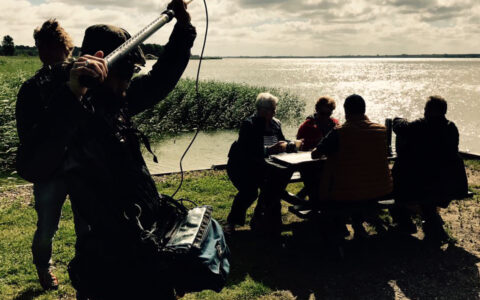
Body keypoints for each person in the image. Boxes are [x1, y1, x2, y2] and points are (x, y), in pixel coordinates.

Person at [18, 1, 195, 298]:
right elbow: (32, 165)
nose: (130, 79)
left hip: (145, 242)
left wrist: (183, 26)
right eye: (127, 71)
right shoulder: (65, 104)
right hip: (109, 258)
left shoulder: (117, 99)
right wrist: (73, 94)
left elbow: (161, 79)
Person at [15, 19, 86, 290]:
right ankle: (44, 269)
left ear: (63, 46)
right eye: (39, 45)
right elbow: (27, 134)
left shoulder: (83, 75)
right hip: (49, 171)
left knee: (87, 225)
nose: (42, 51)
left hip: (80, 167)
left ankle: (86, 270)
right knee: (46, 227)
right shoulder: (33, 87)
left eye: (48, 45)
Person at [311, 94, 393, 237]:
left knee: (325, 183)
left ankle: (331, 227)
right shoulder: (380, 130)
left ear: (346, 111)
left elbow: (315, 154)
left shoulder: (339, 132)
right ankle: (358, 222)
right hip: (380, 189)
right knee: (358, 179)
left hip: (347, 192)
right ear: (364, 110)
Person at [390, 96, 468, 243]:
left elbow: (399, 127)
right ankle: (432, 225)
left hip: (423, 184)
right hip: (447, 183)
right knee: (426, 192)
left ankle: (406, 220)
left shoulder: (420, 126)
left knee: (401, 179)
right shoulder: (451, 128)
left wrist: (398, 118)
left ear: (429, 111)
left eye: (426, 110)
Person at [225, 92, 295, 234]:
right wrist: (270, 150)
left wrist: (291, 144)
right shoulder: (249, 124)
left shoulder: (276, 123)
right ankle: (231, 223)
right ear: (261, 109)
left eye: (275, 109)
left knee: (273, 188)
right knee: (249, 192)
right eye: (272, 109)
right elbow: (249, 149)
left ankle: (262, 220)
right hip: (243, 166)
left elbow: (280, 140)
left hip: (265, 165)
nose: (275, 112)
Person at [295, 96, 339, 200]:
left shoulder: (335, 124)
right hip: (309, 163)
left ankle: (306, 196)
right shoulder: (307, 125)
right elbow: (299, 146)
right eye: (322, 113)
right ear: (316, 110)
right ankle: (311, 199)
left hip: (328, 162)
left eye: (328, 114)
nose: (324, 117)